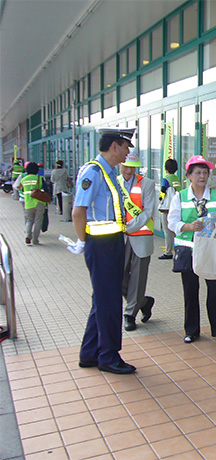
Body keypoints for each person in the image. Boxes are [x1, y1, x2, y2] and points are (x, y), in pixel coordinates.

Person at [68, 127, 137, 375]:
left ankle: (89, 353)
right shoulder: (93, 172)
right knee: (109, 302)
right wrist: (83, 241)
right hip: (101, 245)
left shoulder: (108, 173)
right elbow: (79, 211)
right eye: (126, 146)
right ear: (114, 147)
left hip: (111, 242)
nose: (129, 151)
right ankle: (108, 356)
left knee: (102, 299)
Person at [168, 155, 216, 346]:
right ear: (189, 175)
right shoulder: (179, 196)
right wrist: (188, 226)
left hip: (211, 249)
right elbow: (172, 222)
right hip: (188, 249)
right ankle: (191, 331)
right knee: (190, 291)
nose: (202, 176)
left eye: (205, 173)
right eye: (197, 173)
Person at [117, 152, 155, 332]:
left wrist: (129, 227)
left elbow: (148, 211)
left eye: (132, 166)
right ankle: (144, 302)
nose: (129, 170)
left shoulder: (146, 184)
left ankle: (129, 314)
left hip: (140, 235)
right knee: (118, 277)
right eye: (126, 166)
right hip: (119, 238)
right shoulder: (113, 183)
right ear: (119, 165)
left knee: (138, 278)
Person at [17, 162, 47, 245]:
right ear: (37, 170)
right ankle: (35, 240)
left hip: (28, 203)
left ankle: (27, 235)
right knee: (38, 221)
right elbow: (46, 189)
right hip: (39, 202)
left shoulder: (23, 180)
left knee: (29, 220)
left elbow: (21, 190)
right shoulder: (39, 178)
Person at [159, 158, 181, 260]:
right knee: (176, 230)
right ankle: (178, 249)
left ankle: (168, 252)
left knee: (167, 231)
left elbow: (163, 190)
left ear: (166, 168)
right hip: (176, 207)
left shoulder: (166, 179)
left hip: (167, 208)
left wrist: (160, 198)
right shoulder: (177, 179)